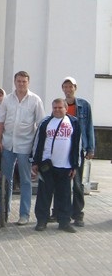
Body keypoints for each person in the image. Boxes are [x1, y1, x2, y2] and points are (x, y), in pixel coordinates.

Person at [0, 71, 45, 225]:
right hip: (8, 143)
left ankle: (24, 215)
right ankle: (4, 212)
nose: (21, 84)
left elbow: (41, 124)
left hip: (26, 145)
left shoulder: (35, 100)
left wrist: (37, 148)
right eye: (18, 81)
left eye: (24, 81)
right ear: (14, 82)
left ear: (28, 82)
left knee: (25, 181)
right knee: (6, 180)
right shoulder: (7, 100)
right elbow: (0, 122)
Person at [31, 98, 81, 233]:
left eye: (60, 108)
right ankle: (42, 220)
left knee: (64, 195)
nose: (57, 110)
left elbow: (77, 145)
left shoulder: (73, 123)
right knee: (44, 194)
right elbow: (37, 143)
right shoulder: (46, 122)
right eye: (55, 108)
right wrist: (35, 162)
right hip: (47, 165)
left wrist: (75, 166)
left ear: (66, 108)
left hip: (65, 165)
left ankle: (64, 222)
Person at [61, 76, 95, 227]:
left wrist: (90, 148)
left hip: (79, 149)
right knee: (62, 182)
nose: (68, 90)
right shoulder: (60, 105)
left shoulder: (84, 105)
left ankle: (78, 214)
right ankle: (61, 212)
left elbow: (89, 127)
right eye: (65, 87)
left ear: (75, 88)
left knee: (77, 183)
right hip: (63, 149)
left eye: (71, 87)